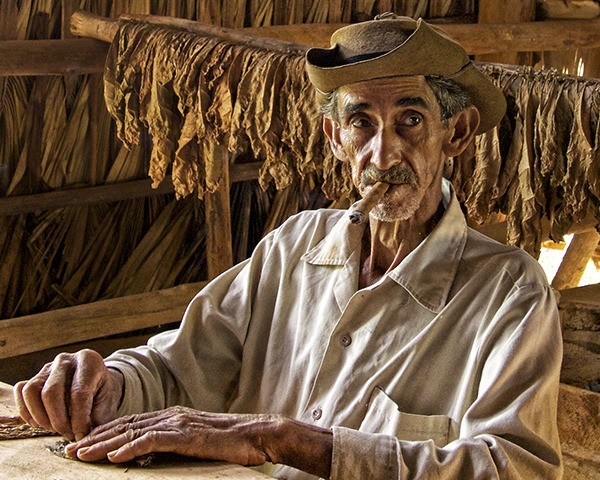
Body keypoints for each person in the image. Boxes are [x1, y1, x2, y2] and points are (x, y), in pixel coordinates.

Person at [14, 14, 563, 480]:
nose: (383, 154)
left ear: (458, 133)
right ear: (335, 139)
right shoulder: (293, 247)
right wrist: (106, 384)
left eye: (410, 121)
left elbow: (512, 466)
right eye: (361, 123)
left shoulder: (508, 292)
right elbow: (177, 370)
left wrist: (291, 441)